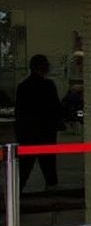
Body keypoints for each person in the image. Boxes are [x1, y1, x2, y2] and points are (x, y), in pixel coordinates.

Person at [15, 54, 62, 190]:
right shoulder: (48, 86)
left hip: (28, 132)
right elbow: (55, 108)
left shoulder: (23, 86)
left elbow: (19, 112)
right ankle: (52, 191)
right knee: (48, 164)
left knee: (25, 167)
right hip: (46, 131)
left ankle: (16, 192)